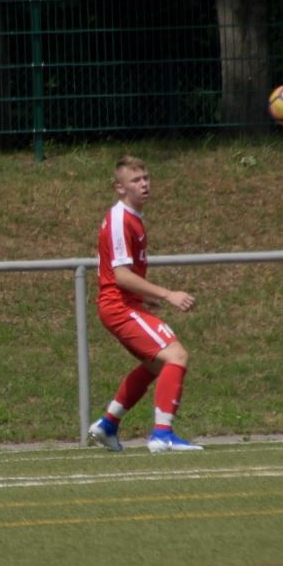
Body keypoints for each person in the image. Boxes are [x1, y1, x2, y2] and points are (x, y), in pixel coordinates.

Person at [85, 156, 203, 454]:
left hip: (125, 302)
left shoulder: (132, 217)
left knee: (156, 364)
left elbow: (120, 272)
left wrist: (145, 295)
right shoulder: (120, 219)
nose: (144, 184)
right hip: (119, 306)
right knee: (176, 355)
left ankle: (108, 424)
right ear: (120, 188)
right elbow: (121, 276)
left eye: (146, 178)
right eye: (136, 180)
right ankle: (162, 435)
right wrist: (167, 294)